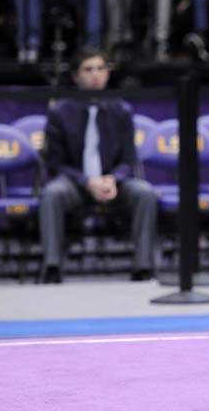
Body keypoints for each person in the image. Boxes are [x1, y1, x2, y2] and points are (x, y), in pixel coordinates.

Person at [39, 47, 158, 283]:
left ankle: (143, 267)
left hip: (112, 182)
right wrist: (87, 181)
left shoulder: (121, 110)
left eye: (101, 69)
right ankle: (52, 267)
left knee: (145, 193)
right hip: (75, 183)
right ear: (75, 76)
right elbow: (55, 163)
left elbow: (128, 159)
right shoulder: (60, 112)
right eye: (88, 69)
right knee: (52, 193)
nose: (96, 74)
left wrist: (114, 179)